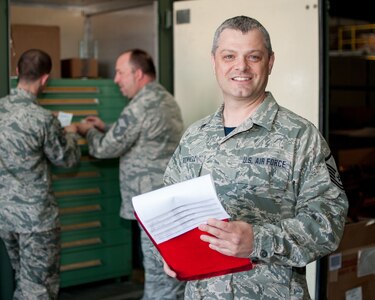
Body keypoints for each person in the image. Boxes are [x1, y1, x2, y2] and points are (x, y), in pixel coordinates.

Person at [163, 16, 348, 299]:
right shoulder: (194, 137)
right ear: (214, 61)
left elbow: (328, 224)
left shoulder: (300, 136)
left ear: (270, 62)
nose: (241, 66)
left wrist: (257, 240)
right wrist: (171, 251)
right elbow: (169, 209)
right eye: (229, 56)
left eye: (253, 56)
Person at [77, 49, 186, 299]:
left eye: (120, 72)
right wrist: (106, 126)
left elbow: (105, 148)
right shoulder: (164, 98)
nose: (116, 79)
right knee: (168, 270)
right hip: (166, 199)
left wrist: (88, 132)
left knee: (159, 276)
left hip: (152, 204)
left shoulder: (139, 106)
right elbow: (141, 132)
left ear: (137, 74)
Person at [0, 49, 81, 299]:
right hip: (36, 220)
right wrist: (72, 133)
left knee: (22, 278)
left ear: (17, 73)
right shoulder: (42, 120)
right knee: (39, 287)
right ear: (45, 79)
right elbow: (67, 160)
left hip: (5, 216)